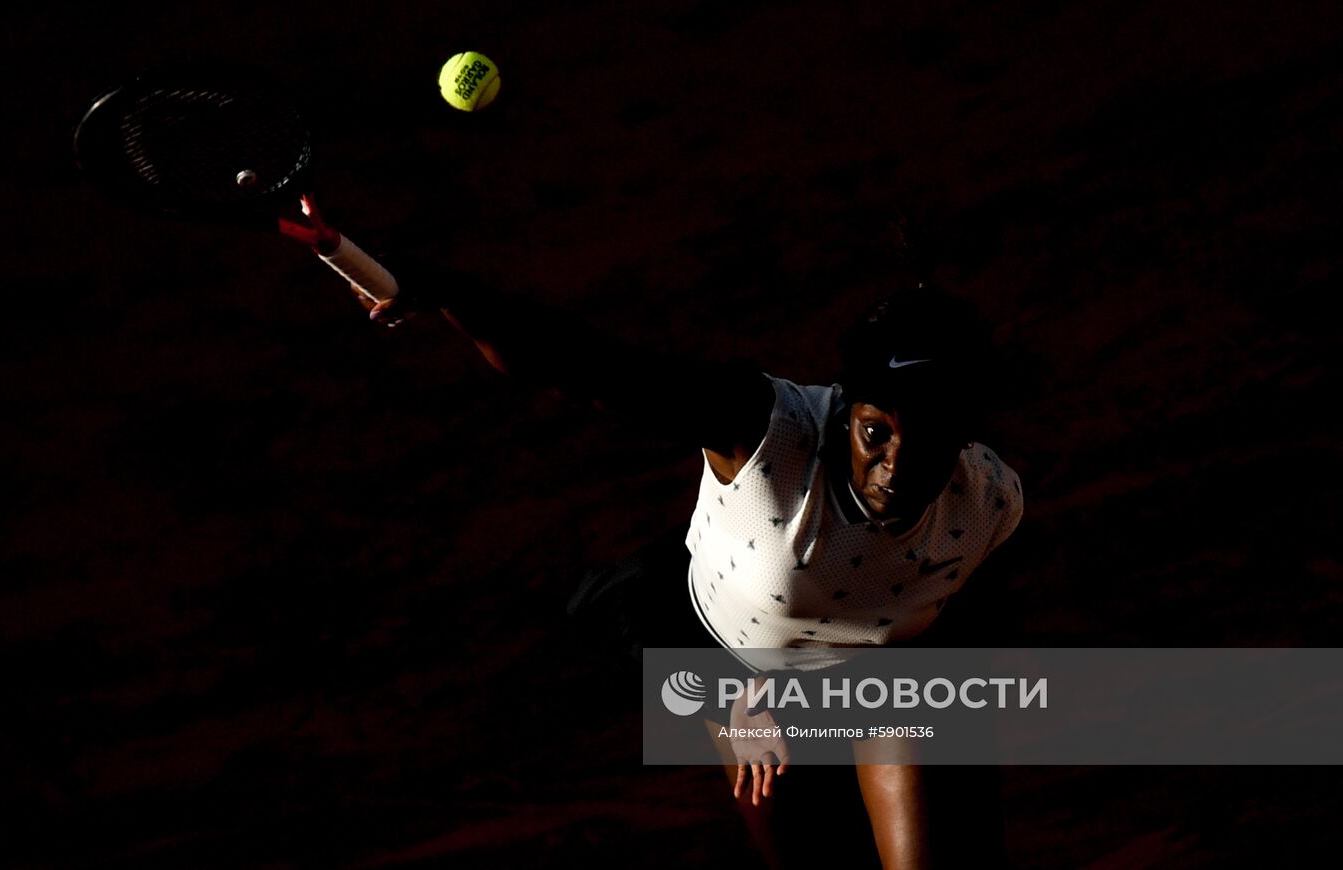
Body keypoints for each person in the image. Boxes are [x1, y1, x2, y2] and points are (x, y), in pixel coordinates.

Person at [357, 265, 1023, 868]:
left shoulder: (989, 500)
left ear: (965, 434)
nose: (897, 466)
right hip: (736, 672)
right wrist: (458, 292)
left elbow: (963, 616)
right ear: (848, 410)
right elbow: (586, 367)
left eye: (930, 438)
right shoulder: (763, 433)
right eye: (877, 432)